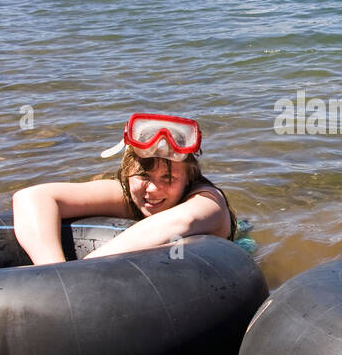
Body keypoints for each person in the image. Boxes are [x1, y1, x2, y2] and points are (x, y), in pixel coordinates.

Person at [12, 113, 236, 265]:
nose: (154, 189)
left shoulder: (208, 200)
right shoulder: (127, 193)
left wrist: (79, 271)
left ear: (189, 178)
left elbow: (183, 221)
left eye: (168, 177)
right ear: (127, 172)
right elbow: (31, 196)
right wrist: (54, 272)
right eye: (143, 176)